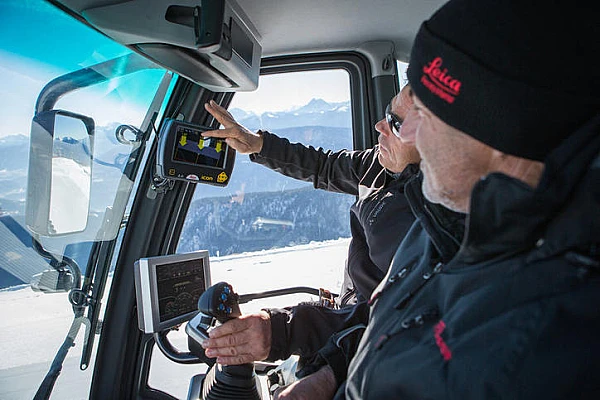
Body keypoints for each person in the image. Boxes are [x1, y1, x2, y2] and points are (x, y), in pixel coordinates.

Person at [339, 0, 600, 398]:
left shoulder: (541, 347)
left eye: (425, 113)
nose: (407, 135)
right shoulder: (444, 213)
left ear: (501, 138)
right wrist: (330, 375)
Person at [203, 84, 419, 306]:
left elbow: (385, 311)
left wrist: (280, 322)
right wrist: (259, 145)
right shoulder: (379, 164)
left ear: (432, 143)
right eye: (387, 112)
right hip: (349, 307)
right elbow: (324, 166)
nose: (379, 126)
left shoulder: (424, 223)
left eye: (395, 124)